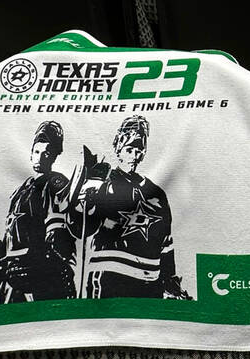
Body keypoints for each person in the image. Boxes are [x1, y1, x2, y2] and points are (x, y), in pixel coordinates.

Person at [71, 116, 189, 300]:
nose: (134, 156)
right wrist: (86, 193)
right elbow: (79, 228)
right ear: (118, 146)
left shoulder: (157, 194)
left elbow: (166, 242)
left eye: (139, 150)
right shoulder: (102, 183)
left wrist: (169, 280)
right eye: (129, 149)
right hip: (109, 278)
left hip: (151, 281)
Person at [0, 121, 75, 303]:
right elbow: (10, 232)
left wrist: (47, 265)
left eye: (46, 153)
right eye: (36, 151)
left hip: (38, 274)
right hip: (12, 273)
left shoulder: (55, 183)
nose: (39, 157)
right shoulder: (20, 190)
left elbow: (57, 233)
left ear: (55, 156)